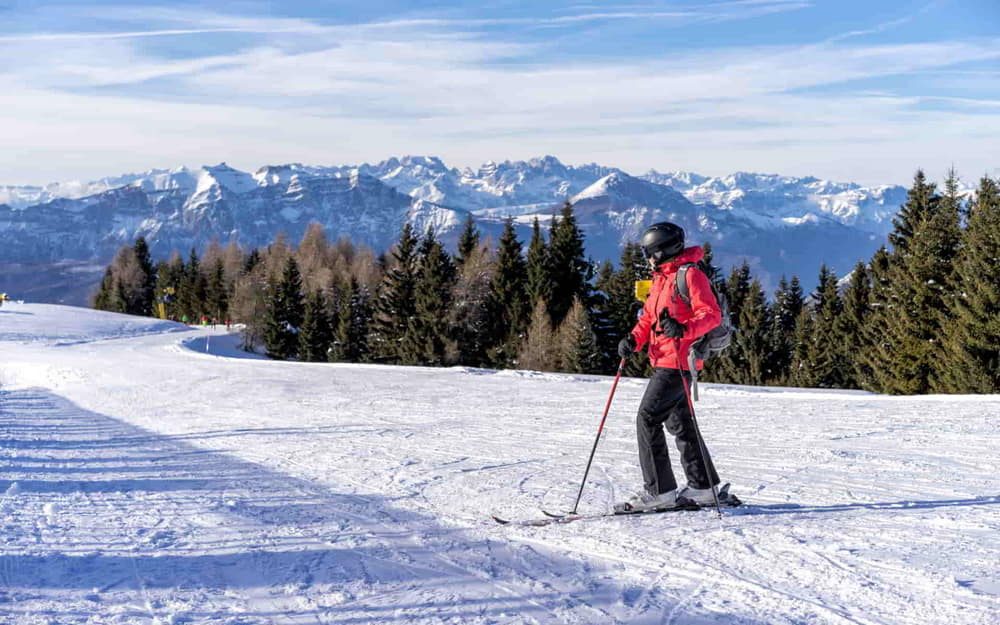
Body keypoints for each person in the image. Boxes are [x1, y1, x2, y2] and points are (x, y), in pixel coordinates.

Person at [615, 222, 723, 512]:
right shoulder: (661, 278)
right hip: (664, 359)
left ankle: (659, 491)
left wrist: (684, 328)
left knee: (647, 418)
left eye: (651, 253)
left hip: (678, 361)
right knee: (680, 423)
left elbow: (711, 315)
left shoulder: (690, 275)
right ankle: (703, 486)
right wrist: (633, 340)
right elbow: (648, 318)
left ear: (665, 250)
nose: (648, 259)